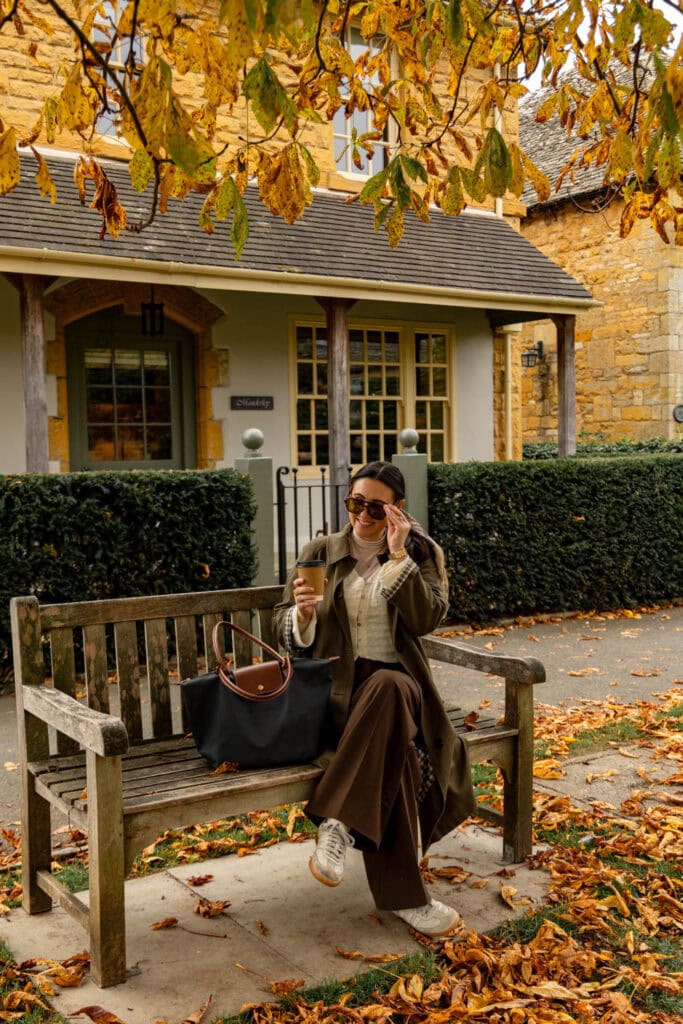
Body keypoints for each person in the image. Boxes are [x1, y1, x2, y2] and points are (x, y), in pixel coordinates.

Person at [273, 460, 476, 938]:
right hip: (334, 698)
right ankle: (409, 901)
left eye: (375, 506)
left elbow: (427, 621)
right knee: (399, 758)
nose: (362, 514)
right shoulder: (320, 551)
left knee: (390, 687)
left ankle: (337, 823)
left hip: (400, 687)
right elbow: (283, 628)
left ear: (398, 509)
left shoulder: (422, 555)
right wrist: (303, 616)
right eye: (355, 503)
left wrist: (398, 557)